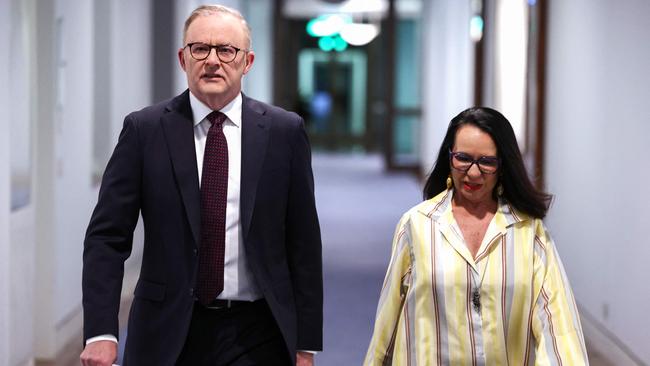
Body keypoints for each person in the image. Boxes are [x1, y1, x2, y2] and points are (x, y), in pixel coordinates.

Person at [80, 5, 322, 366]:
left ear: (248, 61)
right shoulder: (144, 131)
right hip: (167, 328)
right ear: (183, 58)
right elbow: (107, 238)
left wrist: (305, 343)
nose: (213, 61)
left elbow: (303, 243)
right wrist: (101, 331)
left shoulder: (284, 133)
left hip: (259, 330)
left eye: (226, 50)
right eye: (200, 49)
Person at [364, 107, 588, 365]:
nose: (472, 172)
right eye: (463, 158)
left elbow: (557, 325)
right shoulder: (416, 225)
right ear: (450, 158)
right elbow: (387, 323)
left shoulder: (529, 232)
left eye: (487, 162)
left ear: (503, 166)